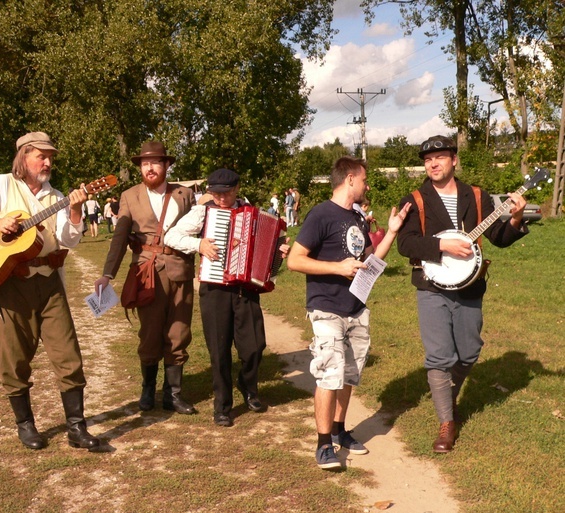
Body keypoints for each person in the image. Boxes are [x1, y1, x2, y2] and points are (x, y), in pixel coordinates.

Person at [0, 131, 101, 451]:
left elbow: (69, 240)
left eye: (50, 157)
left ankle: (76, 428)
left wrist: (75, 211)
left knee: (69, 356)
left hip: (48, 283)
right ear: (24, 157)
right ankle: (26, 425)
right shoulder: (1, 184)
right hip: (10, 285)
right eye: (41, 156)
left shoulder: (56, 195)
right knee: (14, 358)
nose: (47, 162)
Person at [396, 135, 529, 453]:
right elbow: (406, 243)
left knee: (468, 352)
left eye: (440, 157)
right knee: (440, 356)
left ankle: (444, 394)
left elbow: (497, 236)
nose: (433, 164)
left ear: (454, 160)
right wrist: (442, 245)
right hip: (431, 285)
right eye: (428, 160)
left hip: (470, 284)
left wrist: (515, 218)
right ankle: (446, 423)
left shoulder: (477, 195)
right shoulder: (416, 199)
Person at [287, 156, 410, 469]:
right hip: (325, 306)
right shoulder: (320, 215)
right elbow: (295, 261)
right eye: (365, 179)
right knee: (330, 373)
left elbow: (370, 261)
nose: (367, 185)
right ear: (351, 179)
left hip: (356, 307)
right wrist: (336, 268)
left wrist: (392, 232)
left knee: (349, 374)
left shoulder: (356, 217)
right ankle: (323, 442)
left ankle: (341, 430)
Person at [165, 169, 290, 427]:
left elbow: (272, 246)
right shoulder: (204, 212)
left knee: (255, 345)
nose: (221, 198)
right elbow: (171, 236)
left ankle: (247, 387)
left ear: (236, 189)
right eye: (216, 193)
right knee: (219, 351)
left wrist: (280, 251)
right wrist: (199, 245)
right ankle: (222, 406)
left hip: (246, 289)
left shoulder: (253, 212)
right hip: (214, 289)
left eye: (226, 193)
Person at [94, 141, 197, 415]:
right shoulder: (129, 196)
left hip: (180, 270)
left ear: (166, 165)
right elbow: (119, 237)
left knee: (179, 333)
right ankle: (148, 390)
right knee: (150, 333)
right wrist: (107, 273)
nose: (149, 168)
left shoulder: (184, 195)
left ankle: (173, 394)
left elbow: (200, 230)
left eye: (155, 162)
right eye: (144, 164)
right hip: (146, 271)